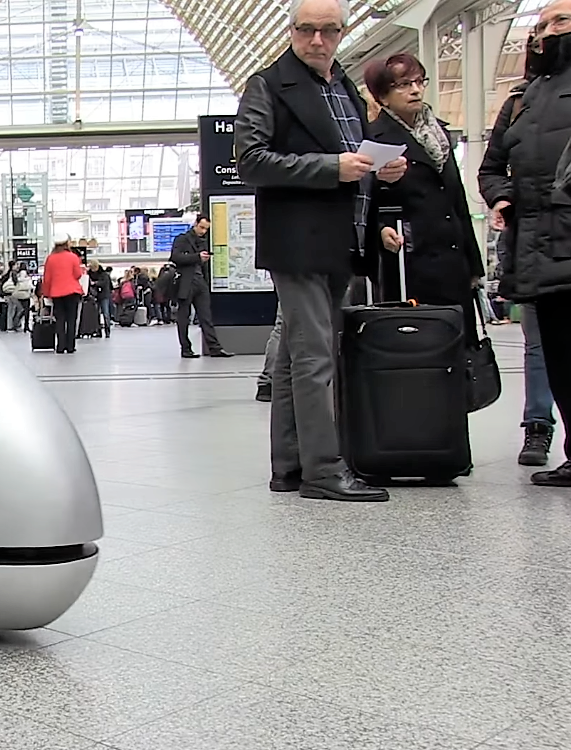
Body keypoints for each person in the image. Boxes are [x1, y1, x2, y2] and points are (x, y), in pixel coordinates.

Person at [235, 0, 407, 503]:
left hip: (338, 238)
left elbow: (355, 152)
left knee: (295, 358)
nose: (317, 39)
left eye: (328, 30)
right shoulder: (268, 85)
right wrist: (331, 167)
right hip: (299, 239)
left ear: (341, 32)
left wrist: (379, 167)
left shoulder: (344, 86)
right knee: (315, 356)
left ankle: (291, 465)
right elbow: (252, 160)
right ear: (291, 31)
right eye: (307, 29)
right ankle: (325, 470)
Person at [478, 0, 571, 486]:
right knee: (556, 352)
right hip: (537, 247)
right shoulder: (521, 99)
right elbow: (490, 168)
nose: (548, 32)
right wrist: (502, 198)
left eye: (560, 22)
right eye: (541, 25)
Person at [364, 53, 483, 337]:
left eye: (419, 81)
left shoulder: (440, 134)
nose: (415, 90)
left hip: (453, 261)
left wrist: (474, 265)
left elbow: (457, 202)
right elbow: (364, 199)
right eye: (403, 85)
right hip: (409, 263)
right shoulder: (373, 140)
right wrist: (379, 230)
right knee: (419, 348)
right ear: (382, 95)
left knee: (461, 346)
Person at [169, 216, 233, 359]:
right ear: (195, 224)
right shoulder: (182, 239)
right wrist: (197, 257)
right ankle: (186, 348)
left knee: (206, 316)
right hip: (186, 282)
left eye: (206, 229)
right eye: (202, 227)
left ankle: (214, 348)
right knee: (183, 317)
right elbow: (175, 257)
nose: (203, 231)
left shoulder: (203, 241)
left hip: (200, 281)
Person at [41, 236, 85, 354]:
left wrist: (46, 293)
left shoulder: (50, 258)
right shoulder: (73, 257)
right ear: (67, 243)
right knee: (71, 319)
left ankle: (60, 346)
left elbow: (47, 278)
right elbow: (78, 275)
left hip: (56, 293)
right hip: (72, 292)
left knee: (60, 320)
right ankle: (70, 346)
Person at [87, 259, 113, 337]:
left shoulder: (103, 274)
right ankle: (99, 331)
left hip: (102, 295)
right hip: (99, 295)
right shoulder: (101, 274)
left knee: (104, 313)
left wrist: (94, 283)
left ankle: (106, 330)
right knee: (100, 314)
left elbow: (104, 283)